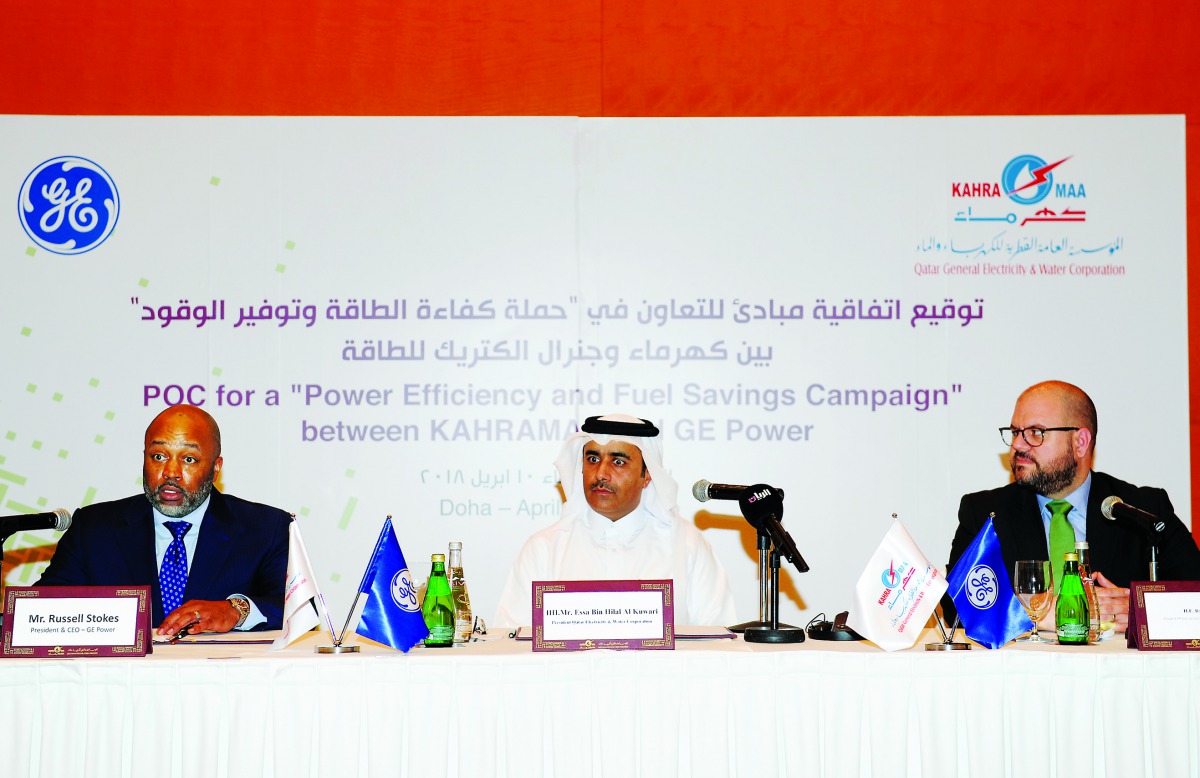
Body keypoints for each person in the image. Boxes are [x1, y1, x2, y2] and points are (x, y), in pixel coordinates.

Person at [946, 380, 1200, 632]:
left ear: (1080, 442)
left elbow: (1195, 598)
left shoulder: (1141, 510)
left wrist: (1141, 612)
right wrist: (1037, 614)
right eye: (1015, 433)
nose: (1017, 446)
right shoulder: (986, 512)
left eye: (1035, 433)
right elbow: (954, 607)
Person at [38, 405, 290, 636]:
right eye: (159, 456)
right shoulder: (94, 528)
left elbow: (297, 606)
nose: (170, 473)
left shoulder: (266, 528)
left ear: (215, 468)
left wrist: (236, 610)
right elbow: (42, 608)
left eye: (188, 459)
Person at [494, 414, 736, 627]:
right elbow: (511, 639)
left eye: (618, 461)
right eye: (592, 459)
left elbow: (717, 638)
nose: (601, 473)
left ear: (647, 475)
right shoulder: (544, 549)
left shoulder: (687, 546)